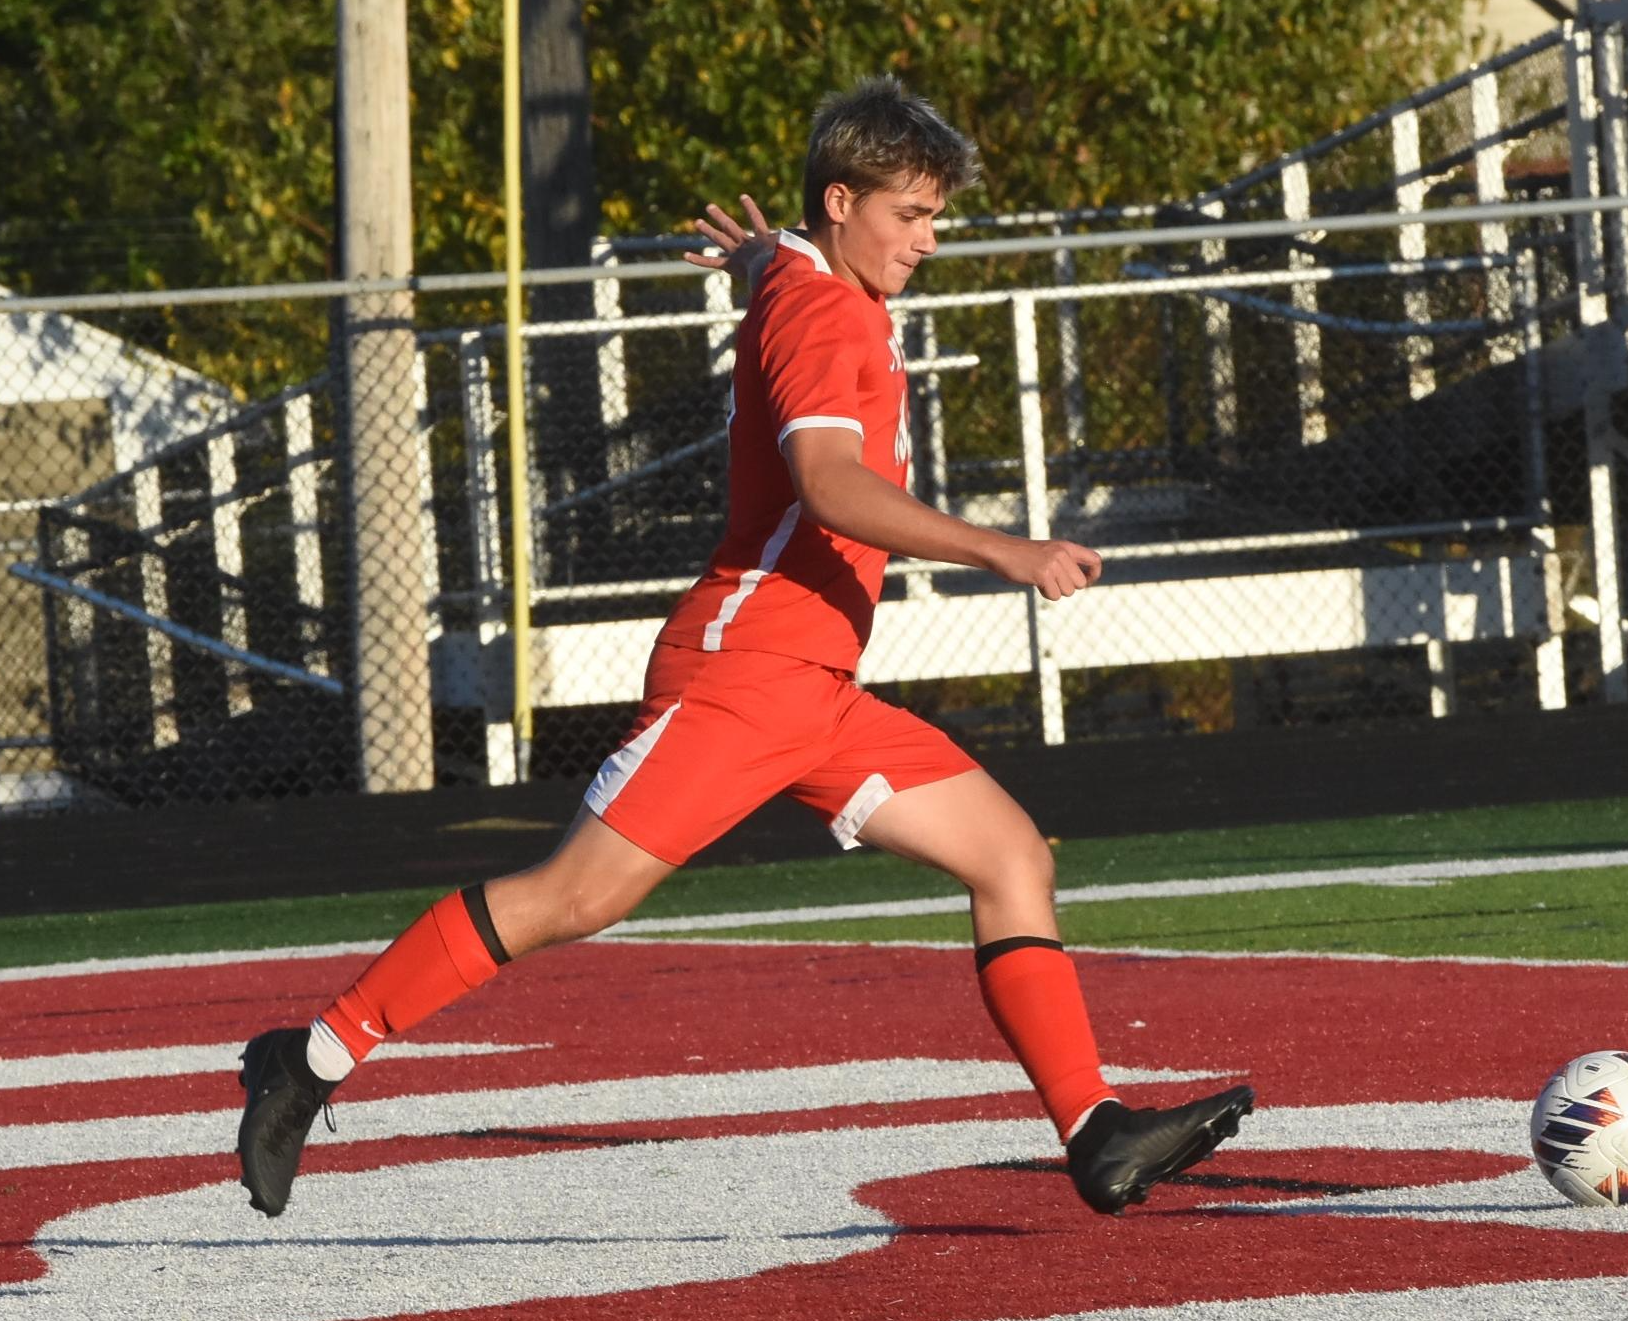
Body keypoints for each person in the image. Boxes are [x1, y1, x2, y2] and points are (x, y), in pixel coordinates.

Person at [237, 75, 1251, 1221]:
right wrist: (1000, 548)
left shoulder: (806, 279)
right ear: (841, 201)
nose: (928, 238)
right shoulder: (824, 310)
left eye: (934, 216)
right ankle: (307, 1058)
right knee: (574, 896)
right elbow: (829, 484)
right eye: (911, 214)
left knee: (1011, 855)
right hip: (744, 677)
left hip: (816, 692)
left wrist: (763, 255)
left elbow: (787, 275)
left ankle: (1093, 1130)